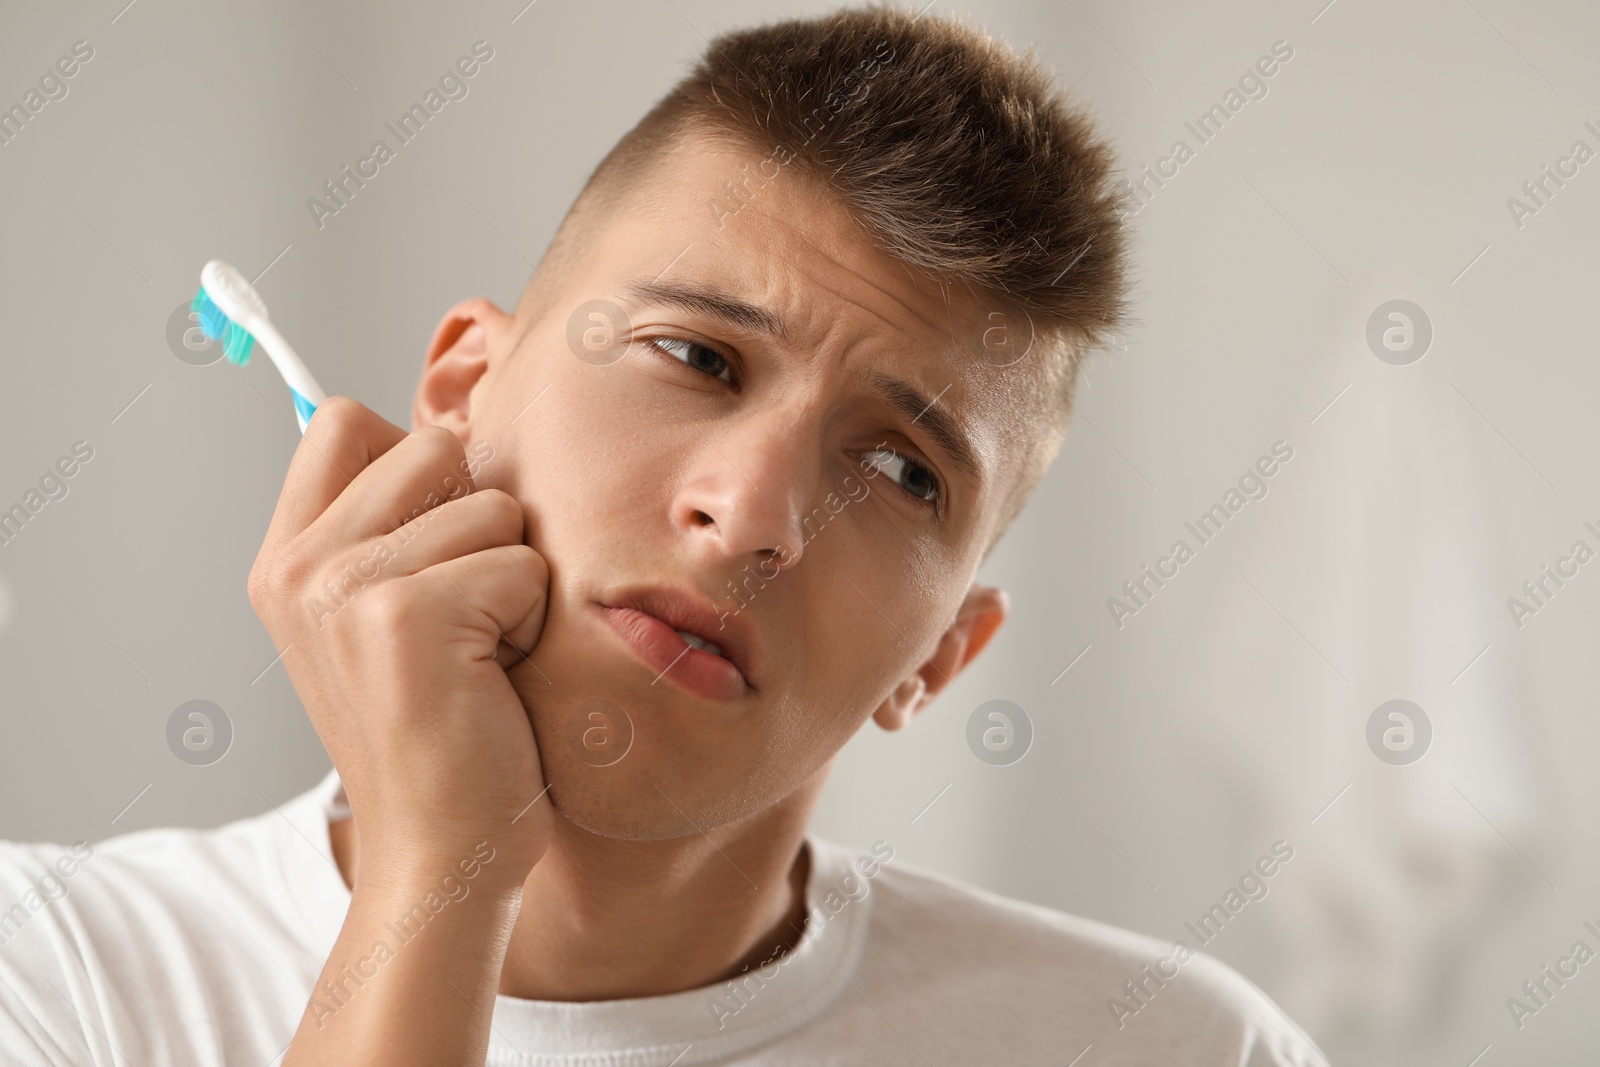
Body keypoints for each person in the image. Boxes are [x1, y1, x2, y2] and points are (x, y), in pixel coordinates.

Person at [0, 6, 1329, 1064]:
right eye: (694, 354)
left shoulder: (1190, 1051)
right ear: (464, 390)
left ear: (944, 656)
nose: (751, 513)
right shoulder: (51, 972)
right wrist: (441, 873)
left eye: (899, 468)